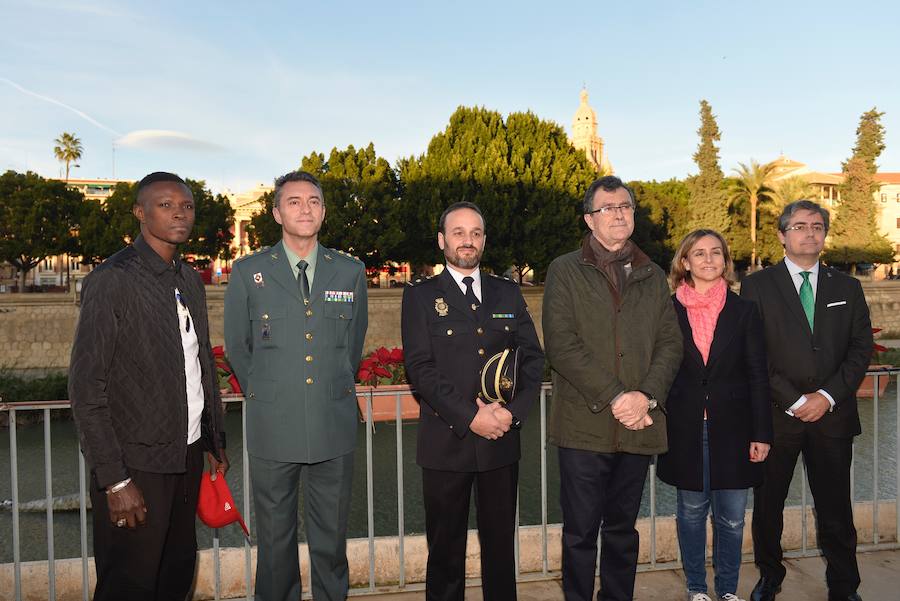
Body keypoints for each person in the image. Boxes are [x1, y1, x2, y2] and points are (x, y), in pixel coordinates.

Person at [69, 171, 228, 601]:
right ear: (140, 212)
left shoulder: (190, 279)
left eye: (187, 206)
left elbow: (198, 365)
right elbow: (86, 388)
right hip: (134, 465)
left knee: (175, 575)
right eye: (166, 204)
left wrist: (213, 441)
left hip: (188, 455)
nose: (179, 212)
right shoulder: (112, 279)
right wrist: (115, 481)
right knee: (130, 584)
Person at [224, 170, 368, 601]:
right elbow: (238, 346)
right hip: (273, 426)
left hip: (332, 423)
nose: (304, 209)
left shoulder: (349, 271)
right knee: (274, 546)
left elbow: (352, 345)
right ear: (276, 212)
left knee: (331, 544)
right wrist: (270, 391)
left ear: (323, 211)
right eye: (294, 201)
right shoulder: (249, 272)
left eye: (313, 201)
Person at [543, 175, 683, 601]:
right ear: (590, 219)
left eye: (625, 206)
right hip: (585, 426)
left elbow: (670, 343)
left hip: (637, 425)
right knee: (580, 532)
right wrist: (618, 396)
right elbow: (562, 345)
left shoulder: (652, 273)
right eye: (608, 208)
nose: (619, 213)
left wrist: (647, 397)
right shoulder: (564, 270)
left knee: (622, 531)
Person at [401, 201, 544, 601]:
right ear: (442, 240)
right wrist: (469, 417)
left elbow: (532, 358)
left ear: (484, 240)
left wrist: (512, 416)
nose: (468, 240)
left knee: (500, 550)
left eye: (476, 233)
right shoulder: (420, 297)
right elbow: (420, 368)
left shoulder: (508, 292)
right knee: (445, 552)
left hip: (501, 440)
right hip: (447, 443)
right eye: (459, 233)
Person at [740, 200, 872, 601]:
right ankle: (770, 576)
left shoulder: (846, 287)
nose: (809, 232)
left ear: (824, 235)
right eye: (799, 226)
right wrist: (796, 400)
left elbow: (860, 347)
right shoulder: (758, 286)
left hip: (832, 417)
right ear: (782, 235)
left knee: (836, 509)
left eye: (817, 226)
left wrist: (827, 396)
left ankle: (844, 586)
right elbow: (753, 352)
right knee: (768, 507)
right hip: (778, 418)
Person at [657, 229, 773, 601]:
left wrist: (762, 433)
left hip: (735, 429)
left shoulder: (744, 311)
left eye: (716, 253)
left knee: (733, 518)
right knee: (690, 513)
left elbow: (758, 373)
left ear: (725, 260)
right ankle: (696, 589)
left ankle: (726, 590)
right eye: (699, 253)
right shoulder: (665, 310)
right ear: (685, 262)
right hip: (684, 427)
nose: (709, 260)